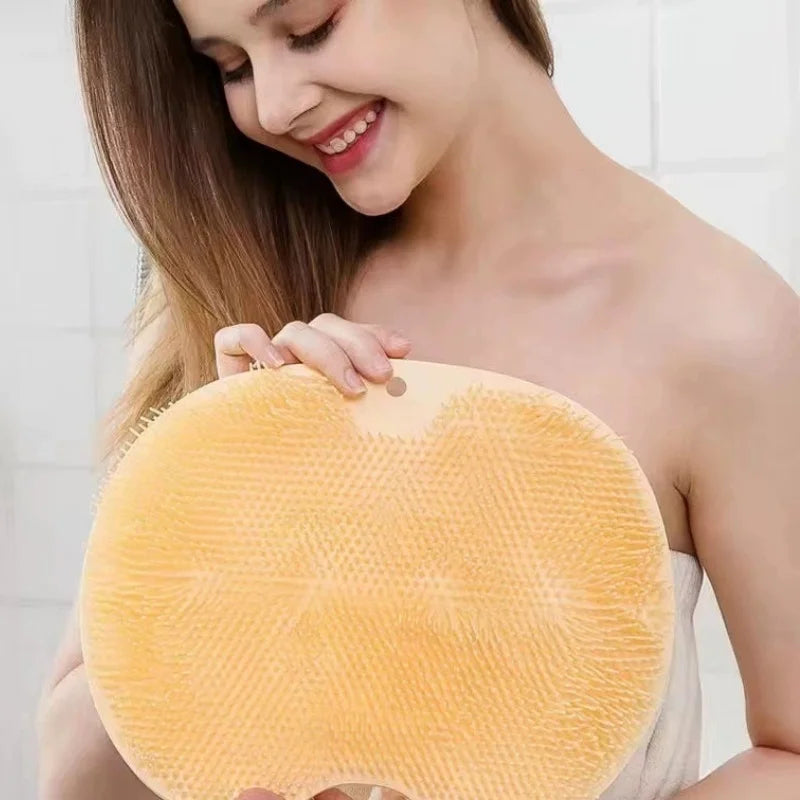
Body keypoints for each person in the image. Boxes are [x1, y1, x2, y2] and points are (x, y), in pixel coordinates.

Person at [37, 1, 800, 799]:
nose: (274, 103)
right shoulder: (236, 288)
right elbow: (68, 775)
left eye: (309, 25)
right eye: (231, 66)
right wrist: (240, 534)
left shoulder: (721, 329)